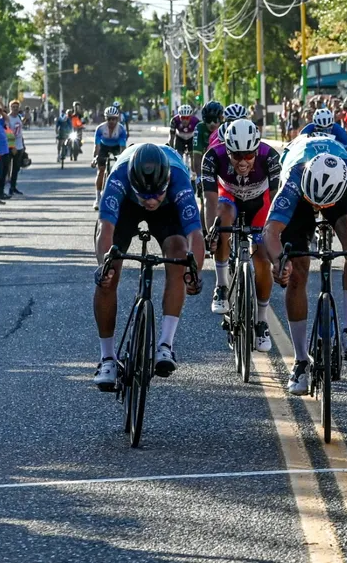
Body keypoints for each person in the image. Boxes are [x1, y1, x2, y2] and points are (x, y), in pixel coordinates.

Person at [262, 135, 347, 396]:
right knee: (296, 269)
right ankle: (300, 360)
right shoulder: (294, 177)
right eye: (316, 203)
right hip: (300, 193)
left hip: (338, 191)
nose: (319, 208)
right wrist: (279, 262)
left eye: (323, 205)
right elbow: (270, 231)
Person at [92, 143, 205, 389]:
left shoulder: (179, 180)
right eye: (145, 195)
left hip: (168, 211)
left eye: (157, 194)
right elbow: (106, 229)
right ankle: (107, 358)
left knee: (179, 254)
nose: (151, 200)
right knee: (109, 272)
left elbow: (195, 235)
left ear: (167, 182)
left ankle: (165, 345)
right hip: (127, 207)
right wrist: (104, 266)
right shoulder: (118, 178)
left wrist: (194, 271)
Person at [202, 119, 282, 350]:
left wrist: (276, 239)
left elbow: (277, 202)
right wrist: (211, 233)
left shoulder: (270, 157)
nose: (243, 161)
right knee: (222, 219)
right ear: (227, 149)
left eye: (249, 155)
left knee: (263, 261)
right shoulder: (213, 156)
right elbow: (209, 201)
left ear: (257, 149)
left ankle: (261, 321)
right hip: (228, 199)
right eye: (236, 156)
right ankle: (221, 286)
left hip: (260, 204)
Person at [90, 106, 129, 208]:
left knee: (120, 170)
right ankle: (98, 198)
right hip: (104, 146)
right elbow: (97, 146)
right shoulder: (100, 128)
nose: (111, 121)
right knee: (101, 171)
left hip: (116, 147)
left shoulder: (121, 129)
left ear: (117, 119)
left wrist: (122, 159)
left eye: (114, 119)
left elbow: (122, 148)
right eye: (109, 119)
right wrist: (95, 158)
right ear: (106, 119)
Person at [192, 100, 225, 181]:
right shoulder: (200, 128)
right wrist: (199, 177)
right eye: (208, 119)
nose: (212, 123)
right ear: (204, 119)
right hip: (206, 163)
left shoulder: (225, 127)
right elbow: (197, 157)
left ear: (221, 119)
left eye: (215, 120)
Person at [6, 100, 26, 196]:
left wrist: (23, 145)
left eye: (16, 107)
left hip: (19, 145)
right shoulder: (8, 118)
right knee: (7, 168)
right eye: (13, 107)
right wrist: (12, 146)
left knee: (16, 168)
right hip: (10, 146)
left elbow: (20, 131)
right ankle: (5, 187)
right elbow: (8, 132)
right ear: (10, 108)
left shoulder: (18, 117)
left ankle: (13, 187)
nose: (15, 109)